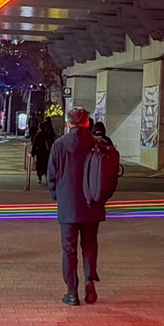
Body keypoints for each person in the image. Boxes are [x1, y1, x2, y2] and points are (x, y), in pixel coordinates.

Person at [46, 107, 103, 306]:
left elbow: (51, 177)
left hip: (68, 204)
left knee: (68, 249)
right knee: (89, 244)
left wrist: (58, 197)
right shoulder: (98, 145)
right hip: (92, 204)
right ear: (88, 123)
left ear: (69, 123)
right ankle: (89, 281)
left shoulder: (59, 145)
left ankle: (72, 292)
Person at [31, 118, 56, 184]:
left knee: (40, 165)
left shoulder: (39, 135)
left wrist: (33, 153)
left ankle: (40, 177)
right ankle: (45, 177)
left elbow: (35, 144)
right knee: (46, 165)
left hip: (41, 152)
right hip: (46, 152)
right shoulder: (48, 135)